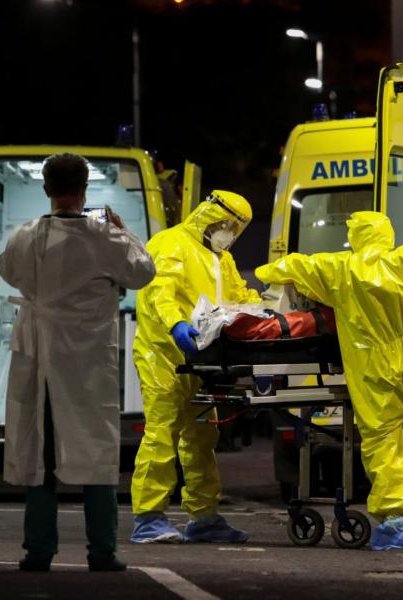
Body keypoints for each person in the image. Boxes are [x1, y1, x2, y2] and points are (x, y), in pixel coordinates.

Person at [255, 212, 403, 550]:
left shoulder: (341, 268)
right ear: (386, 233)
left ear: (355, 237)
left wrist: (263, 273)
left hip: (373, 366)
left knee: (383, 441)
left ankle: (395, 518)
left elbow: (289, 267)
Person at [0, 153, 156, 572]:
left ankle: (38, 551)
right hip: (87, 364)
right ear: (85, 189)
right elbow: (143, 273)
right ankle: (102, 551)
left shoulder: (25, 236)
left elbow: (6, 270)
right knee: (97, 450)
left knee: (41, 453)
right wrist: (125, 233)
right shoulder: (106, 237)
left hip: (40, 360)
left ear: (46, 189)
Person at [130, 191, 261, 544]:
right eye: (227, 225)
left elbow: (239, 295)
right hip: (164, 355)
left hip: (202, 360)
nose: (229, 234)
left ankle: (204, 517)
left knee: (203, 439)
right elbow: (160, 290)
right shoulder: (171, 242)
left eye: (236, 230)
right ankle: (148, 516)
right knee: (162, 433)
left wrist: (264, 312)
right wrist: (174, 324)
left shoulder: (221, 259)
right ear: (210, 216)